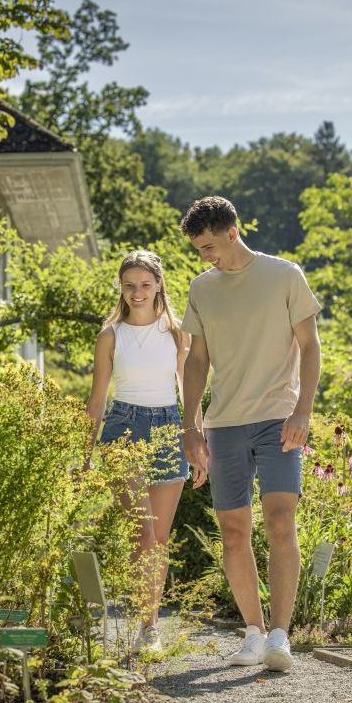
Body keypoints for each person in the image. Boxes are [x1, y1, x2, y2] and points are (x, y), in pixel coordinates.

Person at [180, 197, 322, 672]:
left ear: (232, 232)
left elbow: (310, 346)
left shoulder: (284, 275)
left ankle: (280, 636)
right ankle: (254, 634)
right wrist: (191, 425)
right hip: (224, 424)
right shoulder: (202, 288)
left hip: (278, 419)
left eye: (209, 247)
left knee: (281, 522)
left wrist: (303, 411)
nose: (205, 257)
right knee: (234, 533)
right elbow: (197, 360)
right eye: (199, 250)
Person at [86, 250, 205, 653]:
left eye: (144, 285)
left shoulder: (177, 333)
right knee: (142, 532)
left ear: (158, 286)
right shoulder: (111, 335)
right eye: (129, 285)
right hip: (123, 429)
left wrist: (197, 441)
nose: (137, 292)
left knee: (159, 539)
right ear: (121, 288)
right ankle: (145, 620)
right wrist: (85, 454)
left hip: (169, 427)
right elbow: (97, 399)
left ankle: (148, 627)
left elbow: (190, 392)